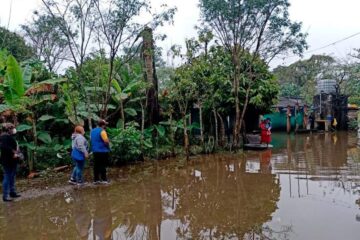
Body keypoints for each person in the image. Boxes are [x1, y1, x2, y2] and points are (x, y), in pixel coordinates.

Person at [0, 123, 21, 202]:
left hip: (12, 159)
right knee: (7, 176)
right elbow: (4, 147)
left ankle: (12, 192)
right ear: (8, 129)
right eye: (12, 128)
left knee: (12, 176)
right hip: (8, 159)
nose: (13, 130)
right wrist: (13, 152)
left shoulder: (8, 136)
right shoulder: (4, 137)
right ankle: (5, 196)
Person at [90, 119, 110, 184]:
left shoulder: (92, 131)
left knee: (96, 165)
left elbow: (92, 140)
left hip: (95, 150)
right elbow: (106, 141)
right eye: (105, 125)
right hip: (102, 151)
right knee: (103, 165)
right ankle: (104, 179)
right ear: (103, 125)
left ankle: (96, 180)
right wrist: (108, 145)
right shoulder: (102, 131)